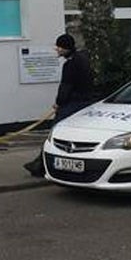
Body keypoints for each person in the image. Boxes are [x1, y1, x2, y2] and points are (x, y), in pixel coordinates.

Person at [23, 33, 93, 177]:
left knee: (55, 132)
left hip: (72, 103)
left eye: (59, 47)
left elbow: (65, 86)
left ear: (66, 48)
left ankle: (42, 165)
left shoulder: (70, 65)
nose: (57, 49)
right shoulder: (82, 59)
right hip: (85, 102)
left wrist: (58, 103)